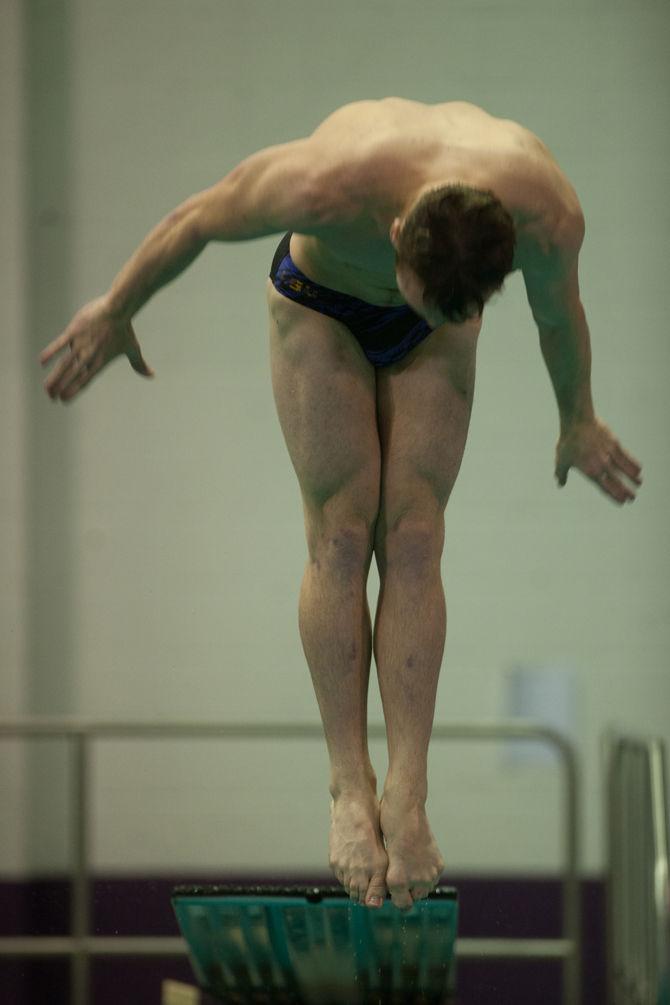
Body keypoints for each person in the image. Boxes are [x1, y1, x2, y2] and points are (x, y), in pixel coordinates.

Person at [40, 96, 642, 913]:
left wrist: (578, 417)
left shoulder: (547, 215)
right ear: (397, 235)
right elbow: (197, 218)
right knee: (341, 533)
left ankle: (410, 792)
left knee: (419, 535)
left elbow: (557, 314)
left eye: (462, 305)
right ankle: (348, 788)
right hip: (320, 306)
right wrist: (117, 307)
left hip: (433, 339)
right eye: (427, 295)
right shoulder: (328, 182)